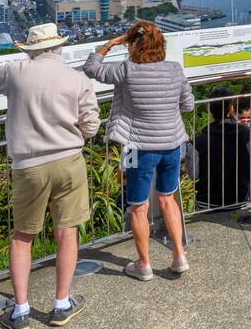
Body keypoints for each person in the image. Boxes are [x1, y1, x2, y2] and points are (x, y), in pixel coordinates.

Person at [0, 23, 100, 329]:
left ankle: (20, 311)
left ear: (31, 49)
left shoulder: (16, 71)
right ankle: (61, 304)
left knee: (23, 236)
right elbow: (91, 125)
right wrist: (73, 135)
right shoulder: (77, 79)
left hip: (29, 165)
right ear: (59, 47)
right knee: (67, 234)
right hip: (69, 161)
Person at [83, 21, 193, 281]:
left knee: (138, 206)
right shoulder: (175, 70)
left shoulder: (126, 71)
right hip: (171, 144)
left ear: (132, 44)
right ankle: (179, 255)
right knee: (167, 198)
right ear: (160, 45)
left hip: (136, 147)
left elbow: (91, 68)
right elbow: (187, 105)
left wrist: (110, 44)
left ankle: (144, 264)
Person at [192, 89, 251, 209]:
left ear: (208, 108)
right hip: (239, 200)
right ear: (232, 109)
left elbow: (193, 175)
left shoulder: (199, 141)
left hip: (208, 201)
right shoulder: (247, 134)